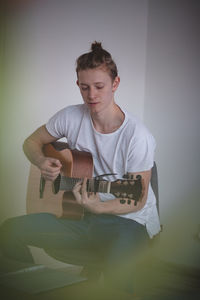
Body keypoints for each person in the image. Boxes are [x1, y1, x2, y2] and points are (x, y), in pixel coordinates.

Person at [0, 41, 161, 296]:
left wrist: (98, 206)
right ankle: (34, 288)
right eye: (84, 87)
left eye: (99, 87)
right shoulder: (70, 117)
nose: (91, 96)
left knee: (116, 282)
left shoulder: (137, 136)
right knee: (9, 231)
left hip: (128, 223)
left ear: (115, 84)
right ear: (78, 85)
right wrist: (42, 162)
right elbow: (31, 142)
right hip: (79, 217)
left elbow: (137, 200)